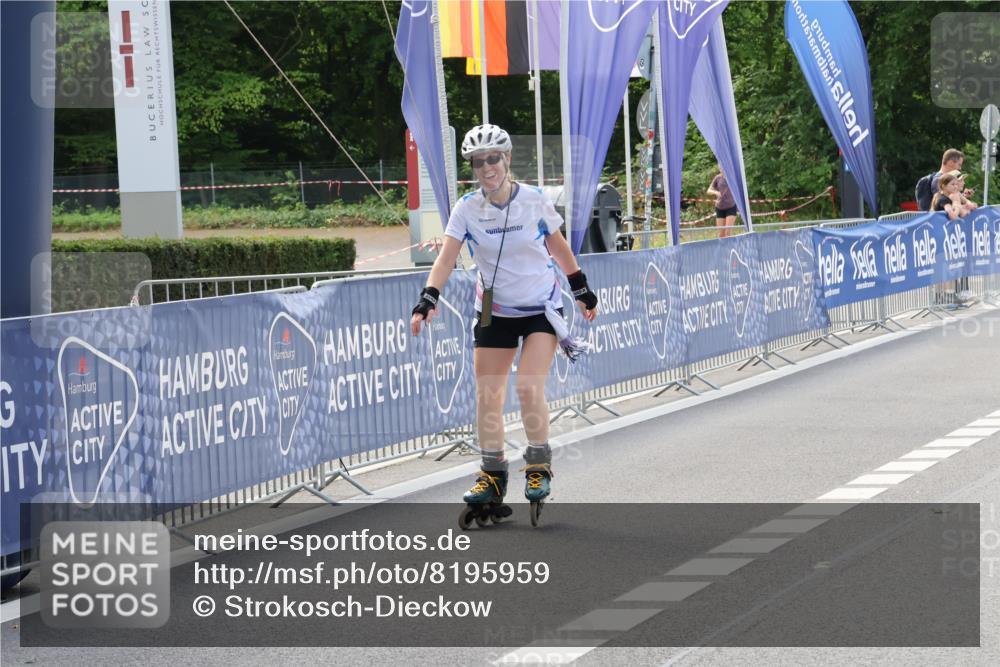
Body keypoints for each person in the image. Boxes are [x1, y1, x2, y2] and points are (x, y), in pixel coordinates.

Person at [410, 123, 599, 520]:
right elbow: (446, 258)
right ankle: (493, 474)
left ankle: (537, 464)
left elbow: (559, 247)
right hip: (494, 309)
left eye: (493, 159)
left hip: (539, 309)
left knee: (529, 386)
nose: (486, 168)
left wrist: (580, 289)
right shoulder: (466, 208)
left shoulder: (533, 200)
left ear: (507, 159)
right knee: (488, 396)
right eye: (478, 162)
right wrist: (429, 297)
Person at [706, 170, 738, 238]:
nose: (721, 168)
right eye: (719, 165)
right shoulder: (717, 178)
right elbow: (708, 191)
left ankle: (730, 248)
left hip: (731, 206)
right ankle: (723, 248)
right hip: (719, 207)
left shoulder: (732, 176)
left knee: (727, 234)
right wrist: (716, 192)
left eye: (722, 165)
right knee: (721, 235)